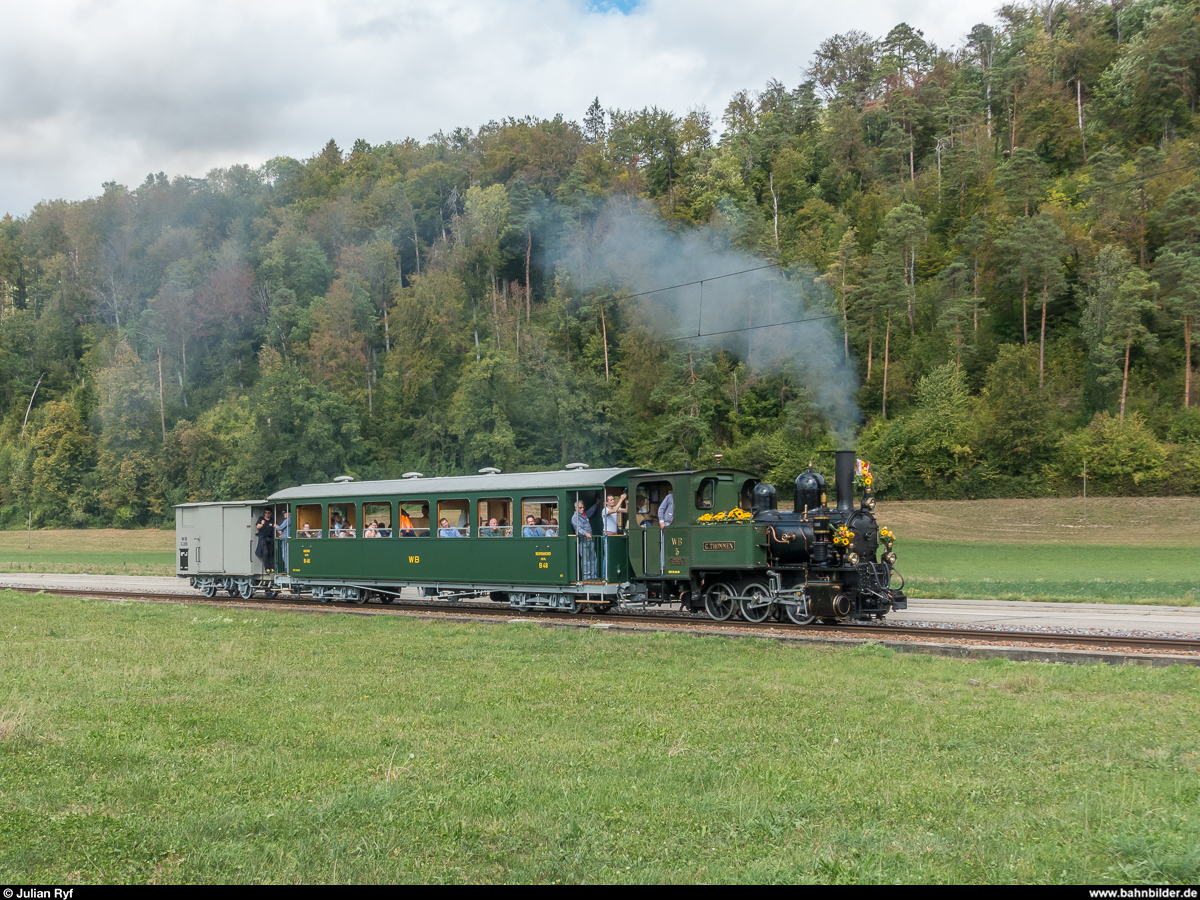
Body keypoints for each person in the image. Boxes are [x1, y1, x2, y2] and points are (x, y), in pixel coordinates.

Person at [572, 497, 599, 580]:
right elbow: (578, 529)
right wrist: (585, 533)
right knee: (585, 559)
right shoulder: (574, 517)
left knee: (593, 557)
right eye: (580, 508)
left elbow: (590, 511)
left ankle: (593, 575)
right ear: (576, 508)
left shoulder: (584, 515)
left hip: (590, 540)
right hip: (583, 540)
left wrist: (596, 504)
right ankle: (586, 576)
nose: (582, 509)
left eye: (583, 507)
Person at [274, 509, 291, 573]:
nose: (284, 514)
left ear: (289, 514)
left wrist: (276, 526)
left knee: (285, 554)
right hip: (285, 538)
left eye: (285, 513)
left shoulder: (288, 520)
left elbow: (280, 528)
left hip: (285, 539)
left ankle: (286, 569)